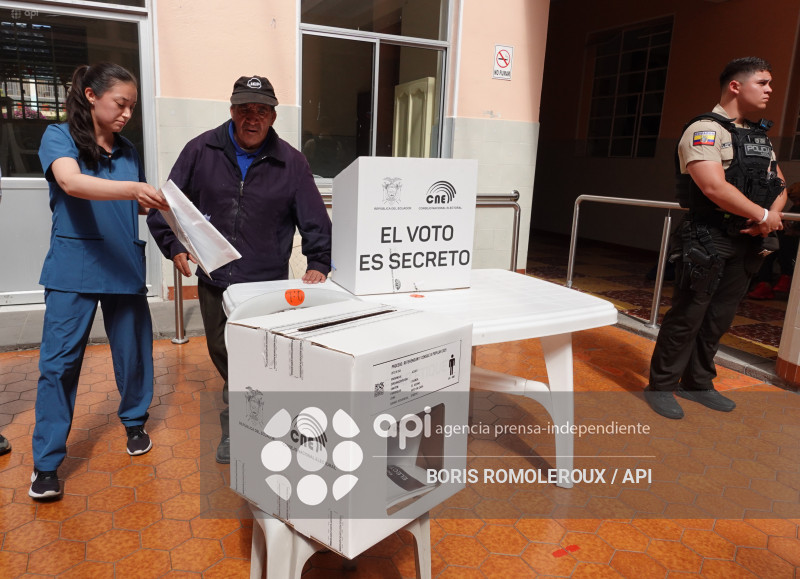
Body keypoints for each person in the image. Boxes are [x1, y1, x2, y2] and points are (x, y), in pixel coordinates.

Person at [147, 75, 332, 464]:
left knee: (258, 356)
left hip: (266, 283)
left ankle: (241, 427)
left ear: (273, 116)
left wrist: (318, 262)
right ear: (231, 111)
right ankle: (257, 412)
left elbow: (314, 217)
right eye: (245, 109)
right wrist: (174, 247)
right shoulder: (201, 150)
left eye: (261, 110)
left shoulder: (292, 162)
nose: (252, 118)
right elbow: (168, 204)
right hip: (215, 279)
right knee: (224, 350)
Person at [31, 63, 168, 500]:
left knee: (133, 356)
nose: (127, 113)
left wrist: (178, 213)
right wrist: (134, 190)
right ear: (91, 95)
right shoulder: (60, 137)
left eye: (132, 106)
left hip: (123, 264)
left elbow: (134, 205)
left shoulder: (127, 151)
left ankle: (134, 424)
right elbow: (71, 183)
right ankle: (47, 464)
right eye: (120, 103)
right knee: (58, 365)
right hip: (75, 269)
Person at [645, 57, 788, 420]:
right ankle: (661, 385)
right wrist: (762, 216)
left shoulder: (757, 136)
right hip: (708, 236)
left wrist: (769, 217)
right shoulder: (704, 130)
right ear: (736, 86)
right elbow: (712, 186)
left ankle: (698, 382)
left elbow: (780, 184)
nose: (771, 89)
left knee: (720, 317)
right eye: (764, 82)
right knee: (688, 314)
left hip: (748, 238)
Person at [747, 181, 800, 299]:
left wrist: (794, 232)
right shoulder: (795, 207)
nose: (796, 203)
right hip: (787, 239)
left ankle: (786, 276)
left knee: (786, 243)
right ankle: (764, 283)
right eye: (794, 200)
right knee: (770, 248)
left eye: (798, 200)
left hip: (793, 242)